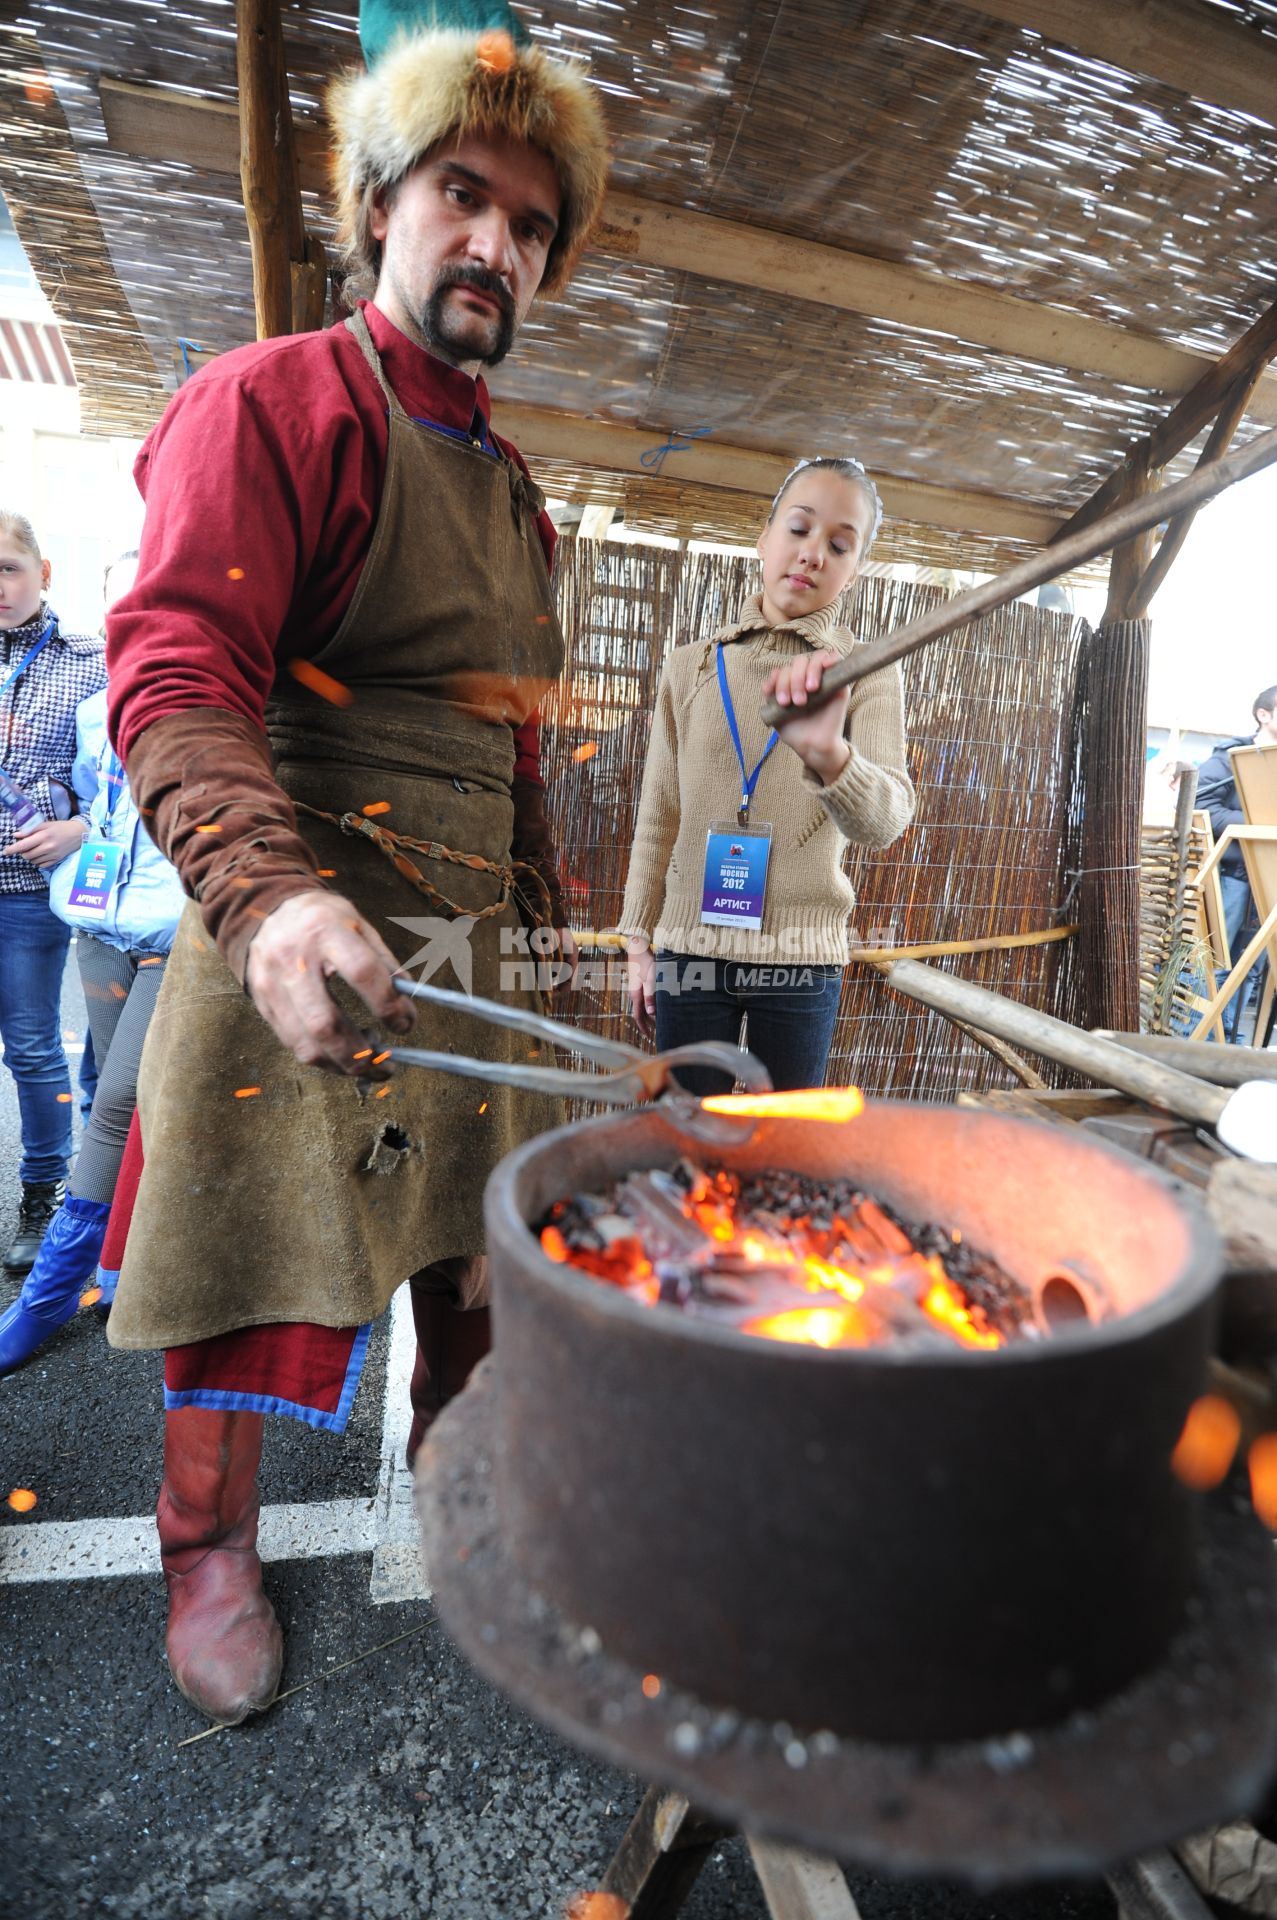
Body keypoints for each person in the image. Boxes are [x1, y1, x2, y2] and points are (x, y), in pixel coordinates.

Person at [103, 1, 607, 1726]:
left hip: (467, 948)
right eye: (463, 194)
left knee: (471, 1255)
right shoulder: (266, 404)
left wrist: (554, 943)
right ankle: (205, 1552)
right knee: (244, 1257)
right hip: (295, 915)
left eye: (531, 224)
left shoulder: (524, 497)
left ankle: (460, 1500)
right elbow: (172, 672)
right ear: (378, 204)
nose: (496, 244)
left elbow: (514, 751)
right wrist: (269, 893)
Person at [619, 458, 915, 1094]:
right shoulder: (690, 667)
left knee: (785, 1149)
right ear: (764, 536)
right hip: (688, 954)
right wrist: (640, 943)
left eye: (839, 545)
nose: (812, 554)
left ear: (855, 568)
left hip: (802, 961)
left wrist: (830, 755)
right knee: (689, 1145)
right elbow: (659, 810)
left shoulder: (866, 672)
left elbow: (886, 822)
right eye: (799, 529)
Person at [0, 658, 186, 1374]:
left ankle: (46, 1299)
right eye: (118, 623)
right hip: (99, 924)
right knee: (124, 1098)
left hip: (178, 936)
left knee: (115, 1107)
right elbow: (94, 808)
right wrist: (72, 840)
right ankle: (121, 1267)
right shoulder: (93, 709)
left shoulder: (213, 706)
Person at [0, 512, 106, 1275]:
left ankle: (45, 1193)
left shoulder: (96, 663)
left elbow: (130, 784)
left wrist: (81, 829)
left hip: (25, 891)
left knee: (34, 1047)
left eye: (7, 567)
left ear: (44, 571)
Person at [1196, 685, 1277, 1043]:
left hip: (1269, 878)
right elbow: (1202, 808)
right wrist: (1257, 822)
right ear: (1264, 715)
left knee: (1255, 965)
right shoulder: (1230, 758)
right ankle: (1195, 1040)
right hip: (1232, 878)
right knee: (1215, 964)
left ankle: (1230, 1040)